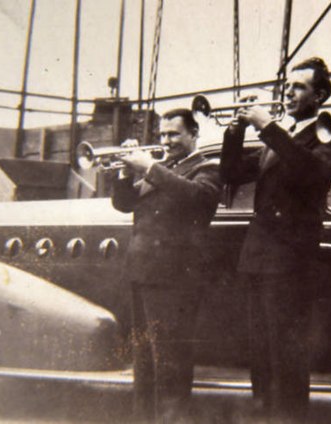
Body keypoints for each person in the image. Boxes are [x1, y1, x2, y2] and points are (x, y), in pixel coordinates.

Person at [220, 57, 331, 423]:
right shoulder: (279, 136)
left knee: (286, 358)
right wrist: (235, 130)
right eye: (288, 86)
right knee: (261, 356)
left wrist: (269, 127)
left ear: (319, 95)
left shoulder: (326, 135)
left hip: (290, 262)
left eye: (300, 87)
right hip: (259, 257)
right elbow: (230, 173)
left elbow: (313, 173)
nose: (289, 92)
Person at [111, 108, 222, 423]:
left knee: (170, 363)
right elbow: (125, 203)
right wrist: (124, 173)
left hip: (175, 279)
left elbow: (199, 198)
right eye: (162, 135)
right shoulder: (163, 168)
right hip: (143, 274)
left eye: (174, 134)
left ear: (193, 133)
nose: (166, 140)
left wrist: (150, 167)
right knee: (144, 362)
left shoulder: (207, 167)